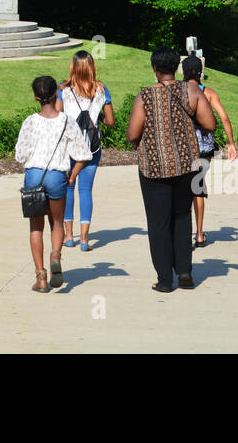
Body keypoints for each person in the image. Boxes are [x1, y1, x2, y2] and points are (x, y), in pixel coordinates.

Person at [127, 48, 217, 292]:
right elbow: (210, 124)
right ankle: (185, 272)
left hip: (154, 168)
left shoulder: (145, 96)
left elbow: (133, 133)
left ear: (155, 69)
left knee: (158, 223)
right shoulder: (191, 91)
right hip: (187, 166)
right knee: (181, 216)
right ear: (177, 67)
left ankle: (165, 280)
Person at [15, 75, 92, 293]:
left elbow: (20, 155)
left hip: (34, 177)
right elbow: (82, 154)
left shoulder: (30, 122)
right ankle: (56, 255)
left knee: (35, 227)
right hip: (57, 175)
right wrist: (72, 176)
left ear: (35, 97)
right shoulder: (67, 121)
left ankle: (40, 278)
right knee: (57, 222)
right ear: (56, 95)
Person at [56, 50, 113, 251]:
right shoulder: (101, 89)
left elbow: (58, 117)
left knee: (68, 188)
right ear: (92, 67)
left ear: (73, 67)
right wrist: (96, 119)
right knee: (86, 190)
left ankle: (69, 236)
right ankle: (85, 240)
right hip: (92, 146)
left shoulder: (64, 90)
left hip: (69, 147)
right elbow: (111, 121)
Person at [181, 56, 237, 247]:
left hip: (183, 146)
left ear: (183, 71)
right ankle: (199, 234)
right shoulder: (208, 92)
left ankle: (184, 234)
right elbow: (224, 118)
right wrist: (231, 143)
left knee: (183, 189)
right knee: (198, 187)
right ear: (200, 72)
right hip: (204, 147)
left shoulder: (177, 91)